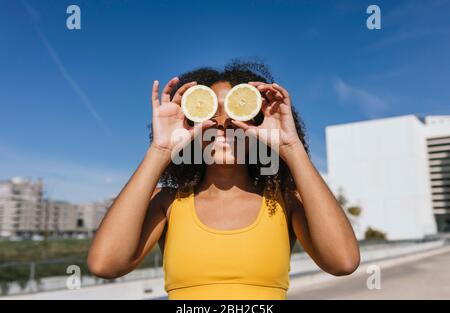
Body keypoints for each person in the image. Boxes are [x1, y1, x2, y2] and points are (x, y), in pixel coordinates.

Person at [87, 60, 360, 300]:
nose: (223, 122)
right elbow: (105, 265)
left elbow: (343, 262)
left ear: (256, 121)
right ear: (191, 123)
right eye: (209, 112)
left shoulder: (285, 201)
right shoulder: (168, 202)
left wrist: (291, 147)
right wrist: (160, 150)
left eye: (236, 110)